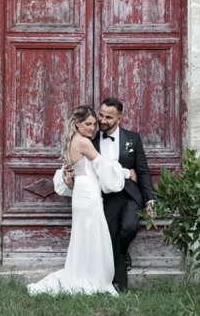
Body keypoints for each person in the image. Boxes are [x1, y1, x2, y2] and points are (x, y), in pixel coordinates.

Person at [55, 97, 155, 293]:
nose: (102, 121)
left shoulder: (132, 138)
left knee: (129, 227)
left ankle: (122, 254)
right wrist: (68, 180)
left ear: (120, 118)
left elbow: (142, 171)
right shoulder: (89, 137)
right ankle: (119, 284)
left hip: (128, 194)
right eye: (100, 115)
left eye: (108, 117)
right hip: (102, 196)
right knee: (108, 236)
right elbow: (75, 165)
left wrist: (150, 200)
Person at [27, 105, 126, 296]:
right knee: (92, 235)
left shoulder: (74, 140)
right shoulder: (84, 143)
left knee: (87, 235)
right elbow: (103, 167)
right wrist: (124, 174)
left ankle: (85, 272)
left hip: (83, 191)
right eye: (88, 124)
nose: (92, 128)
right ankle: (91, 278)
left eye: (94, 124)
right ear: (78, 124)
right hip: (88, 193)